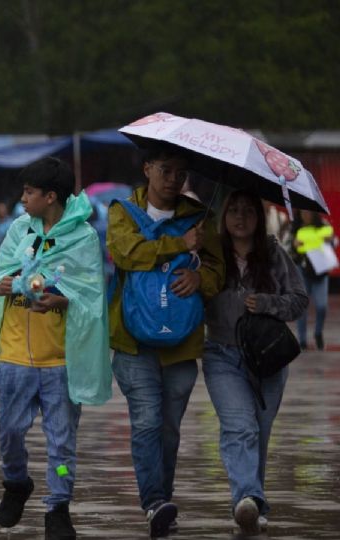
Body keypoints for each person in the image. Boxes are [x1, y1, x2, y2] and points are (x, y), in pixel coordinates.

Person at [0, 157, 111, 539]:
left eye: (29, 192)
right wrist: (2, 285)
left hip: (60, 360)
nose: (22, 199)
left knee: (62, 442)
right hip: (14, 354)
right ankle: (16, 482)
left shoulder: (83, 238)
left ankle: (59, 504)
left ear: (50, 196)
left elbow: (90, 294)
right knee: (8, 432)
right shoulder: (18, 230)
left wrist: (63, 300)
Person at [106, 143, 224, 537]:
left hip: (182, 344)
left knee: (170, 429)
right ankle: (153, 502)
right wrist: (180, 244)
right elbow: (127, 253)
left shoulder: (199, 218)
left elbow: (216, 271)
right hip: (131, 342)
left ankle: (162, 503)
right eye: (165, 171)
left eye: (180, 173)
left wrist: (199, 278)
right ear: (147, 169)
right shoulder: (123, 213)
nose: (173, 180)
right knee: (146, 421)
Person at [203, 190, 307, 535]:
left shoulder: (273, 253)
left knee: (259, 433)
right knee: (240, 428)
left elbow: (298, 300)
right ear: (224, 215)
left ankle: (253, 504)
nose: (240, 217)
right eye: (233, 210)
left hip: (267, 359)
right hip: (221, 355)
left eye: (248, 210)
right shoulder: (210, 253)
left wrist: (266, 303)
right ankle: (246, 500)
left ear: (259, 217)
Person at [292, 209, 335, 350]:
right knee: (302, 305)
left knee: (322, 306)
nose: (306, 215)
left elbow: (333, 242)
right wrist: (294, 244)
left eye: (309, 212)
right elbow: (285, 247)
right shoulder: (295, 227)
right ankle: (302, 340)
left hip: (320, 270)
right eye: (303, 212)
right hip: (302, 270)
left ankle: (318, 332)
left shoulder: (323, 225)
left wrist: (331, 240)